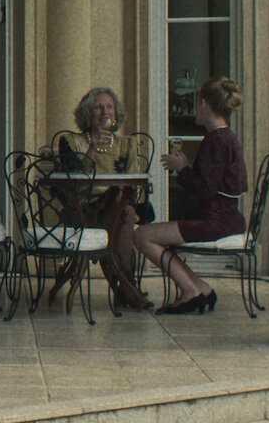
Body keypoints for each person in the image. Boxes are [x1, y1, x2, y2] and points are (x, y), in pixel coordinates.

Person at [135, 77, 246, 314]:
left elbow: (204, 190)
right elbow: (213, 184)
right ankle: (201, 288)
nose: (197, 108)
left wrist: (182, 168)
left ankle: (190, 291)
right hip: (227, 218)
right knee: (150, 235)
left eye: (197, 103)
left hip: (214, 221)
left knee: (142, 235)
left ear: (203, 104)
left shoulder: (215, 140)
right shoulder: (227, 137)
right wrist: (186, 167)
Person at [53, 88, 153, 310]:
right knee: (124, 217)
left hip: (117, 206)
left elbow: (133, 182)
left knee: (123, 210)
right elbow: (74, 180)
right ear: (87, 113)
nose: (105, 112)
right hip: (83, 209)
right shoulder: (70, 141)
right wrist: (92, 148)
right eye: (98, 107)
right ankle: (129, 290)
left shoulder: (127, 144)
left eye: (109, 107)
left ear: (116, 113)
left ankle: (126, 290)